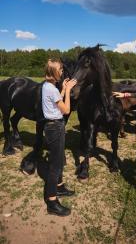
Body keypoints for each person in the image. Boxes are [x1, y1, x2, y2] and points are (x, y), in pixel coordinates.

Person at [42, 58, 77, 216]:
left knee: (58, 159)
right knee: (55, 166)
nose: (62, 72)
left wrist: (63, 88)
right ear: (54, 72)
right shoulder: (51, 89)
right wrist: (68, 90)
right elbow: (66, 110)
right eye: (61, 70)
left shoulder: (48, 86)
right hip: (55, 127)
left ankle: (60, 187)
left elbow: (57, 101)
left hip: (53, 126)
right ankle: (52, 202)